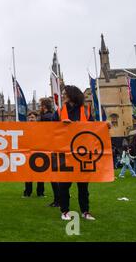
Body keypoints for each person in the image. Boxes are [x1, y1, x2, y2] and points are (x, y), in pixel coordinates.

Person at [53, 85, 96, 221]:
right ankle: (65, 211)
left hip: (82, 153)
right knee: (64, 185)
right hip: (65, 152)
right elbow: (51, 130)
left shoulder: (86, 110)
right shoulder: (59, 111)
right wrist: (61, 125)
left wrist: (104, 126)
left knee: (83, 186)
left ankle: (85, 211)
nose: (63, 96)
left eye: (65, 93)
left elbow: (94, 127)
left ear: (72, 95)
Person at [39, 97, 59, 207]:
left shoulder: (46, 118)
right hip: (54, 148)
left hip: (49, 149)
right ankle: (58, 199)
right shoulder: (53, 116)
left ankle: (58, 200)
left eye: (40, 105)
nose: (39, 107)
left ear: (44, 106)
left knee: (53, 177)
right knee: (55, 176)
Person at [23, 111, 45, 198]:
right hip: (28, 153)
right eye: (30, 117)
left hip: (38, 152)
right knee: (28, 174)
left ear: (36, 118)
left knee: (40, 174)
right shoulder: (25, 128)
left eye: (32, 117)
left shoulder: (40, 128)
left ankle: (40, 193)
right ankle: (27, 193)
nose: (31, 119)